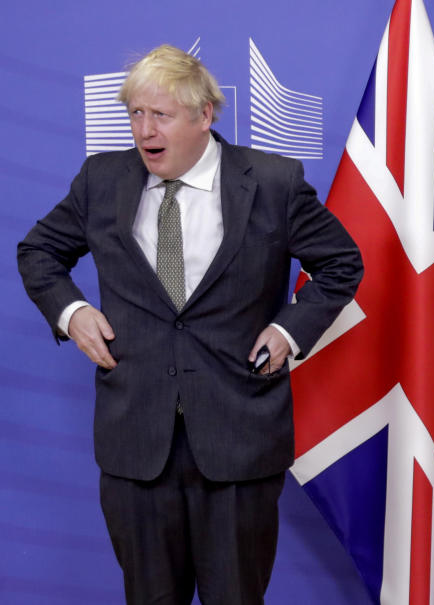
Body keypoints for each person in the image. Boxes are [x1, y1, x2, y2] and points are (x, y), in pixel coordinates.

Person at [17, 45, 363, 604]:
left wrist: (289, 331)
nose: (144, 130)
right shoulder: (101, 180)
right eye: (135, 114)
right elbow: (39, 252)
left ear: (204, 116)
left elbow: (341, 263)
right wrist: (72, 312)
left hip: (239, 435)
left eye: (161, 115)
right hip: (136, 440)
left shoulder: (273, 182)